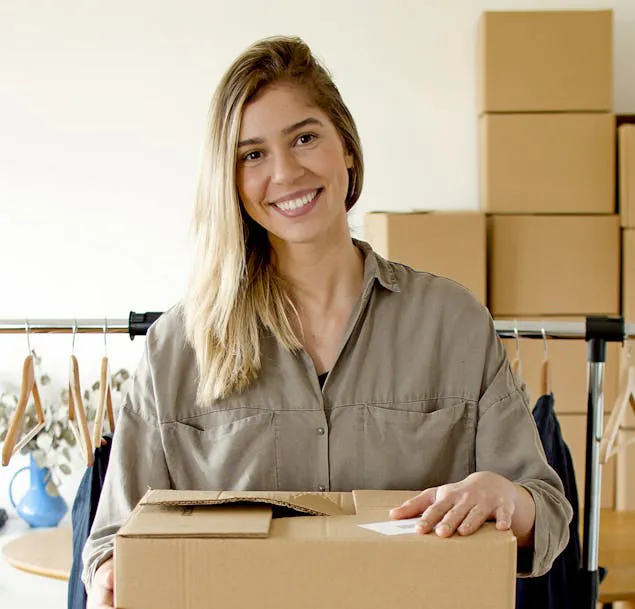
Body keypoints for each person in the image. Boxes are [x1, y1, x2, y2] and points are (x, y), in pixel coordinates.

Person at [83, 35, 572, 608]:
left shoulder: (453, 322)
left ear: (347, 147)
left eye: (305, 138)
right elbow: (111, 541)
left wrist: (508, 499)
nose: (286, 172)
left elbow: (550, 517)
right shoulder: (178, 348)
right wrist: (111, 576)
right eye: (253, 154)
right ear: (231, 180)